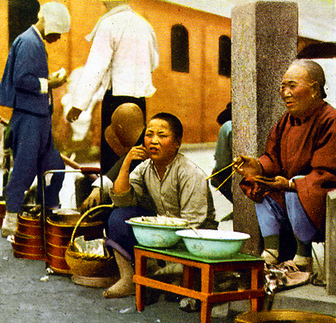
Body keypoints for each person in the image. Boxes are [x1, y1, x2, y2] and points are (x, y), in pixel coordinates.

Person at [234, 59, 336, 278]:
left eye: (292, 86)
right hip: (288, 195)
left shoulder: (332, 120)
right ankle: (271, 251)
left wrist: (292, 184)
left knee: (297, 186)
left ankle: (303, 257)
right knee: (258, 186)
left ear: (314, 89)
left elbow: (328, 173)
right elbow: (272, 158)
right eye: (282, 87)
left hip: (319, 199)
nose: (285, 93)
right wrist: (257, 166)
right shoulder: (286, 120)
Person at [105, 113, 218, 298]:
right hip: (164, 232)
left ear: (177, 143)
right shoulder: (144, 168)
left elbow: (193, 223)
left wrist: (158, 234)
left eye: (162, 135)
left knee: (173, 284)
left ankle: (162, 275)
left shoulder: (190, 173)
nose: (154, 141)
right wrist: (126, 162)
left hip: (194, 236)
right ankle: (130, 278)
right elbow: (122, 199)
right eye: (149, 134)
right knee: (118, 217)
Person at [0, 2, 71, 237]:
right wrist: (52, 83)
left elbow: (29, 78)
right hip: (29, 117)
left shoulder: (32, 40)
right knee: (25, 167)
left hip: (38, 116)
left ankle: (45, 209)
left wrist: (47, 79)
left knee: (55, 166)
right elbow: (22, 80)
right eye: (58, 33)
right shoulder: (30, 42)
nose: (58, 38)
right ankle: (12, 215)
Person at [65, 0, 159, 174]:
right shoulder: (144, 25)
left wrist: (79, 105)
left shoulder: (109, 24)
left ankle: (113, 198)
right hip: (138, 101)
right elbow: (153, 62)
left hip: (116, 99)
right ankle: (132, 198)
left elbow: (96, 67)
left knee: (113, 157)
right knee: (135, 156)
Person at [77, 103, 146, 212]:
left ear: (120, 128)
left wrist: (99, 189)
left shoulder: (145, 145)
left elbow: (129, 162)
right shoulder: (139, 141)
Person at [210, 102, 233, 204]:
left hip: (232, 169)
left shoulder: (227, 126)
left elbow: (222, 160)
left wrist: (217, 171)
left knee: (215, 178)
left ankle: (237, 207)